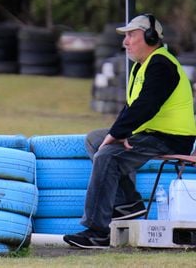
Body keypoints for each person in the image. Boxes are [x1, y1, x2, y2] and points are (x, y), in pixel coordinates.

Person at [63, 14, 196, 249]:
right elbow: (132, 108)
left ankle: (97, 231)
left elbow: (146, 106)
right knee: (95, 140)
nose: (125, 42)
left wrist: (115, 136)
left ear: (150, 37)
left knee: (107, 155)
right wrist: (116, 133)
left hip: (171, 138)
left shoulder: (161, 65)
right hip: (152, 133)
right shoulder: (141, 67)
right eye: (125, 36)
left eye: (131, 35)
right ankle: (129, 203)